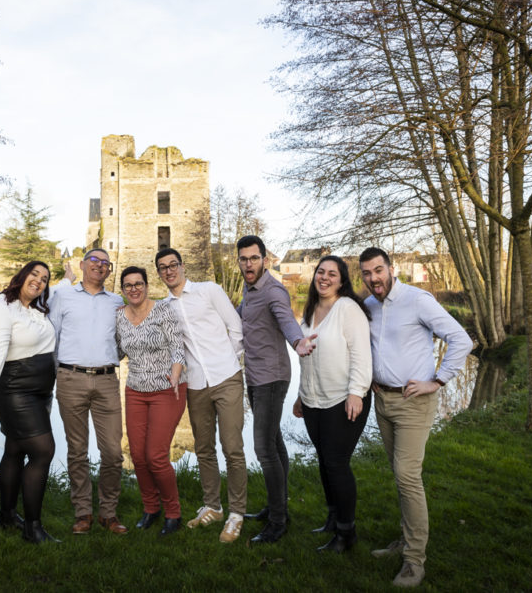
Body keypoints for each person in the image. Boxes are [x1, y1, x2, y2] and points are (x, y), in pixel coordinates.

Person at [359, 247, 472, 587]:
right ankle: (406, 541)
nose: (373, 278)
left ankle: (414, 561)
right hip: (385, 401)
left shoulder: (418, 300)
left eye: (378, 270)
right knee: (399, 474)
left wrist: (436, 381)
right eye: (366, 273)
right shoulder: (368, 307)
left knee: (407, 475)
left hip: (414, 402)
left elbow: (461, 340)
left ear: (391, 268)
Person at [0, 261, 59, 543]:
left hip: (39, 389)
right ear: (22, 275)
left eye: (44, 279)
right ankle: (33, 528)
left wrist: (67, 278)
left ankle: (6, 516)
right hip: (15, 389)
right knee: (43, 451)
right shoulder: (1, 307)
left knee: (16, 449)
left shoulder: (35, 309)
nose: (39, 281)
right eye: (34, 274)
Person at [155, 248, 246, 543]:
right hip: (195, 384)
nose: (169, 271)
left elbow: (235, 327)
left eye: (173, 265)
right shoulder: (164, 308)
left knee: (232, 447)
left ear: (182, 266)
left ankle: (236, 514)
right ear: (159, 273)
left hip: (226, 377)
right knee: (203, 448)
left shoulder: (209, 291)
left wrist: (229, 362)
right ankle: (213, 507)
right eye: (163, 268)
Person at [235, 235, 313, 544]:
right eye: (244, 259)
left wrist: (298, 341)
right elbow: (242, 315)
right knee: (275, 441)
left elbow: (287, 321)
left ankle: (278, 521)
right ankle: (276, 506)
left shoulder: (274, 291)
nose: (248, 264)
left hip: (272, 378)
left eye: (254, 258)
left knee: (264, 450)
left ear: (264, 259)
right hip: (254, 377)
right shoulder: (248, 288)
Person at [291, 255, 372, 553]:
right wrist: (301, 395)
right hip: (314, 400)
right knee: (325, 460)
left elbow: (362, 354)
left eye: (332, 274)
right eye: (320, 272)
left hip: (343, 399)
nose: (324, 278)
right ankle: (333, 516)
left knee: (337, 463)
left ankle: (346, 533)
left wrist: (356, 392)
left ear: (342, 280)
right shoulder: (310, 310)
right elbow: (308, 359)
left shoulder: (348, 310)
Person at [49, 249, 128, 536]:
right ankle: (83, 512)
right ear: (82, 265)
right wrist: (61, 370)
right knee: (77, 451)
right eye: (94, 261)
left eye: (105, 263)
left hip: (107, 381)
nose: (100, 266)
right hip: (71, 379)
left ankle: (109, 512)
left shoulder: (117, 302)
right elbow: (52, 336)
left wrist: (106, 359)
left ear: (109, 271)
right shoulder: (63, 297)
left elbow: (122, 342)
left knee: (112, 452)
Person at [114, 266, 187, 536]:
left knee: (156, 456)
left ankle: (173, 512)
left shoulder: (163, 310)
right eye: (128, 285)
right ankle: (150, 508)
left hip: (167, 389)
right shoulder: (119, 317)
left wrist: (176, 371)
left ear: (146, 285)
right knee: (137, 456)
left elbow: (178, 346)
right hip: (134, 390)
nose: (134, 289)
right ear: (122, 290)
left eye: (138, 283)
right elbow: (117, 350)